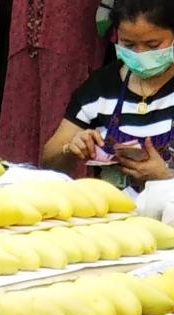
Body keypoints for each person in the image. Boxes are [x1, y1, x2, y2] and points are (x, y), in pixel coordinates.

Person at [43, 0, 174, 186]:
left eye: (152, 45)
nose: (140, 53)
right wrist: (70, 149)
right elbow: (48, 161)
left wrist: (167, 174)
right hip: (111, 203)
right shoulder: (100, 87)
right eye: (128, 45)